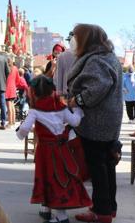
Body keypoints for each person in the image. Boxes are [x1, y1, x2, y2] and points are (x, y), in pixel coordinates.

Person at [67, 24, 122, 223]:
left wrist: (76, 100)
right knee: (107, 165)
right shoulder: (106, 55)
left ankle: (102, 212)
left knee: (98, 167)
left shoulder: (97, 59)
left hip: (97, 121)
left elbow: (98, 86)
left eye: (76, 36)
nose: (73, 39)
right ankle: (107, 208)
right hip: (106, 120)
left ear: (87, 39)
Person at [17, 75, 91, 223]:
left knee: (49, 179)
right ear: (52, 91)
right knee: (60, 179)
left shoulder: (35, 111)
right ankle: (48, 210)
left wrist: (20, 133)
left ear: (35, 93)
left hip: (45, 152)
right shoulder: (60, 107)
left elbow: (24, 129)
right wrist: (78, 110)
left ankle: (61, 217)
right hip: (62, 150)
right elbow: (75, 122)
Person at [5, 59, 28, 127]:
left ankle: (10, 123)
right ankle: (13, 122)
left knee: (9, 105)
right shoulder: (15, 68)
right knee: (12, 105)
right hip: (13, 87)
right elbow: (18, 79)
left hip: (7, 87)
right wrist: (15, 85)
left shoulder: (6, 69)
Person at [54, 32, 77, 99]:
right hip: (83, 93)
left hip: (67, 93)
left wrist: (59, 93)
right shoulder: (87, 54)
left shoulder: (62, 56)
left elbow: (56, 79)